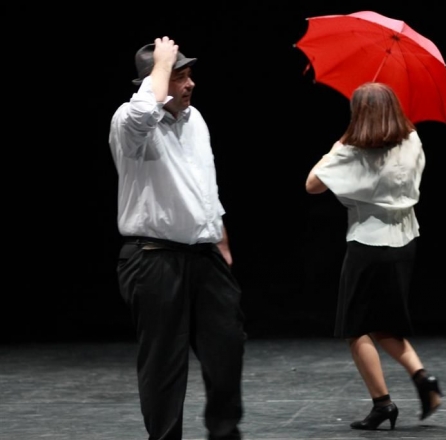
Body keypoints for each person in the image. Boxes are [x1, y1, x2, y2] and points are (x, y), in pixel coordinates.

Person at [108, 36, 246, 440]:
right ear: (154, 80)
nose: (190, 84)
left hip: (203, 257)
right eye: (179, 76)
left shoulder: (195, 119)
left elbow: (205, 183)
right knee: (165, 364)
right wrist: (160, 68)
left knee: (228, 347)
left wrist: (220, 236)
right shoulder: (129, 123)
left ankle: (224, 431)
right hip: (153, 259)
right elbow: (140, 116)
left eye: (190, 76)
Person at [305, 82, 443, 430]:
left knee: (356, 329)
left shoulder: (353, 151)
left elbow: (312, 185)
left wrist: (336, 147)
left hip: (369, 245)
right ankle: (423, 378)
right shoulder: (412, 140)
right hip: (405, 241)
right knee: (386, 324)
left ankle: (382, 404)